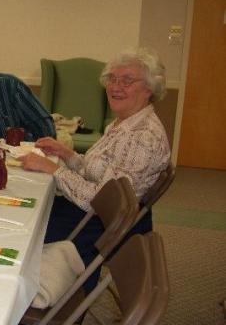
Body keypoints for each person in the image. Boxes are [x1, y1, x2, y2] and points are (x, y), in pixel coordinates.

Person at [21, 47, 170, 291]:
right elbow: (98, 171)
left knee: (27, 224)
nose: (115, 86)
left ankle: (35, 294)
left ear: (149, 89)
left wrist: (53, 170)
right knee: (31, 205)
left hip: (101, 223)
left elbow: (100, 200)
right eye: (112, 78)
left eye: (127, 80)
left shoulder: (142, 137)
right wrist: (66, 154)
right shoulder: (124, 123)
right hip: (96, 212)